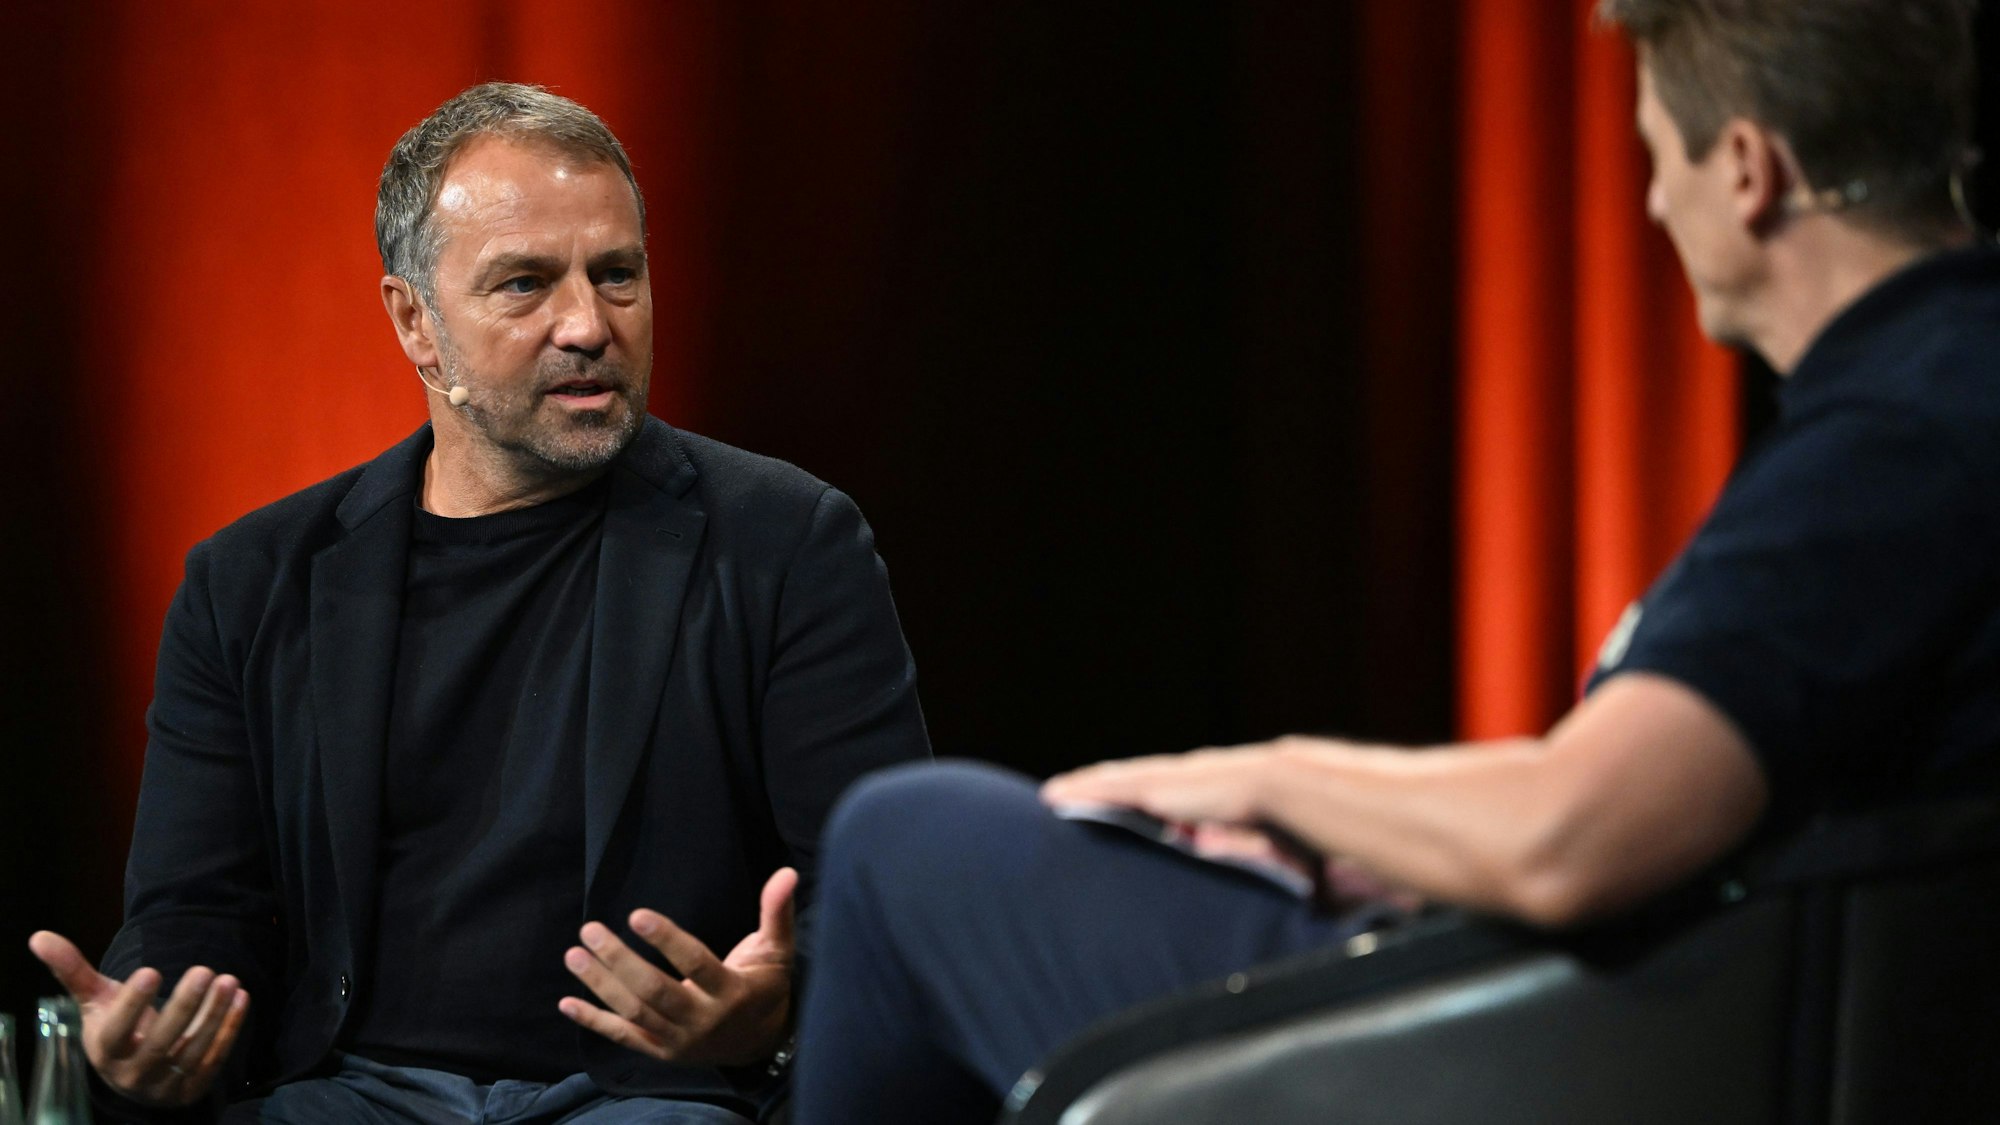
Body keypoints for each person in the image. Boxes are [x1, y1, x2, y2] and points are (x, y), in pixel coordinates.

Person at [790, 1, 1999, 1120]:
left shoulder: (1896, 436)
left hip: (1600, 1053)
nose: (1647, 205)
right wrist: (1375, 845)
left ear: (1743, 169)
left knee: (910, 844)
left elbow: (1568, 837)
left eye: (1655, 153)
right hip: (1670, 999)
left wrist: (1266, 779)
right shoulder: (1934, 382)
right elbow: (1666, 793)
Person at [27, 83, 930, 1123]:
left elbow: (879, 899)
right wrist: (153, 1023)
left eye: (618, 275)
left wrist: (771, 1009)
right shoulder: (251, 581)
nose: (587, 324)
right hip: (350, 1094)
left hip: (646, 1101)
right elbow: (200, 910)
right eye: (524, 284)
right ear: (415, 322)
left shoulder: (786, 542)